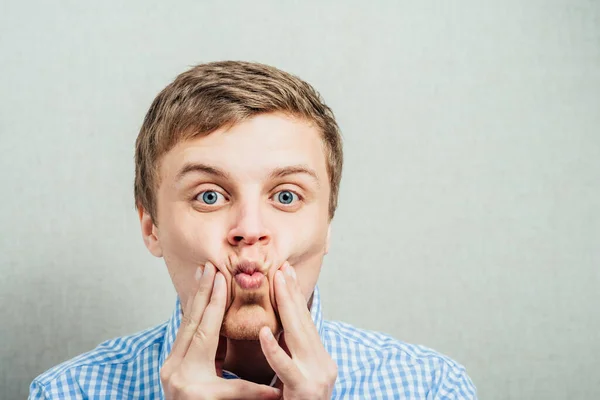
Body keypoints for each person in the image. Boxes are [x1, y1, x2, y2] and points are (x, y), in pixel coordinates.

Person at [29, 61, 477, 399]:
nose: (249, 230)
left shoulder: (431, 386)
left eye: (285, 196)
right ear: (152, 226)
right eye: (209, 196)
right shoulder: (70, 392)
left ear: (328, 225)